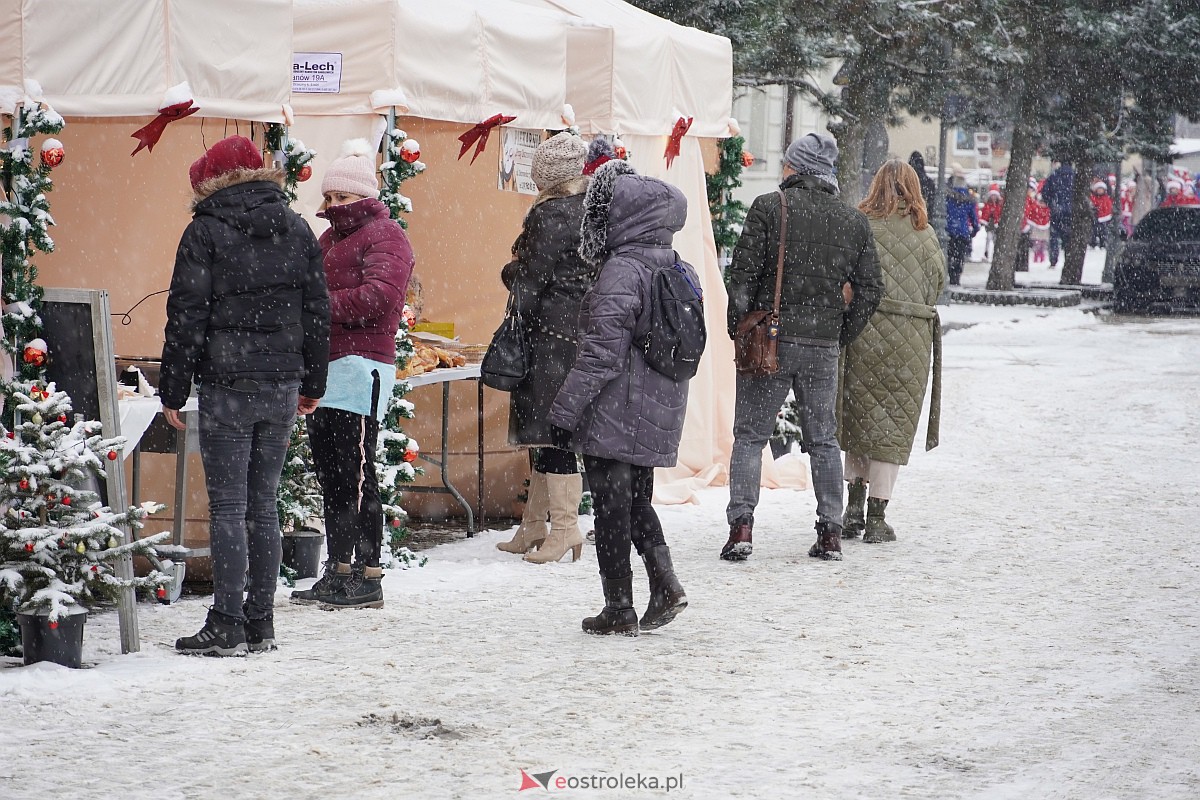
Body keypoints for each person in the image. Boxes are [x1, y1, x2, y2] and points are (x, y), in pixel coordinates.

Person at [161, 135, 330, 655]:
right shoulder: (298, 228)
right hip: (281, 383)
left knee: (230, 507)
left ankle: (226, 622)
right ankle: (261, 622)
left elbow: (187, 315)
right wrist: (313, 383)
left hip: (227, 383)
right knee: (263, 505)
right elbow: (317, 312)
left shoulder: (205, 232)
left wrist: (172, 387)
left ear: (211, 183)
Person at [722, 132, 883, 563]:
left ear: (794, 167)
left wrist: (738, 326)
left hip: (770, 341)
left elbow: (742, 277)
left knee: (750, 437)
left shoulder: (769, 208)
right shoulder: (853, 221)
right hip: (822, 344)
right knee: (824, 440)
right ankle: (830, 530)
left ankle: (741, 526)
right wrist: (839, 332)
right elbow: (871, 290)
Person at [548, 160, 693, 636]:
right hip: (658, 407)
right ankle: (665, 583)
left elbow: (598, 356)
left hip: (616, 408)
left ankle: (619, 606)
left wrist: (564, 413)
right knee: (635, 501)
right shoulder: (679, 267)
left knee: (612, 508)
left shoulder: (621, 271)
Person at [289, 140, 414, 610]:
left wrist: (316, 308)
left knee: (358, 475)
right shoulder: (330, 240)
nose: (336, 205)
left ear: (364, 197)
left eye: (344, 197)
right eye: (332, 198)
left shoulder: (386, 236)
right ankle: (339, 567)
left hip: (361, 367)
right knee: (333, 475)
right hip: (326, 367)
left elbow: (380, 297)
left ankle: (368, 574)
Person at [494, 132, 593, 564]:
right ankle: (534, 526)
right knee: (551, 428)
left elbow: (533, 279)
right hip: (580, 330)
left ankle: (566, 529)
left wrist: (509, 272)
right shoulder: (592, 209)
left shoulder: (551, 213)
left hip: (551, 333)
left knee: (552, 433)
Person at [839, 160, 944, 543]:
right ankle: (877, 517)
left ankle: (852, 506)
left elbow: (846, 276)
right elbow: (937, 284)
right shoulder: (925, 234)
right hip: (910, 343)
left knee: (859, 419)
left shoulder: (862, 225)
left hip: (865, 331)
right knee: (891, 427)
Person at [944, 164, 979, 285]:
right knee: (959, 257)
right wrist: (974, 230)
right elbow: (974, 218)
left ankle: (949, 274)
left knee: (949, 255)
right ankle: (956, 277)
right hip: (963, 232)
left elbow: (944, 212)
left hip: (949, 231)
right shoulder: (969, 198)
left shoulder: (947, 196)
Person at [1041, 162, 1074, 267]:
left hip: (1056, 211)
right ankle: (1069, 259)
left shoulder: (1054, 176)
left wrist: (1051, 203)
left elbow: (1045, 192)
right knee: (1069, 237)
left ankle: (1053, 259)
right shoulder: (1075, 176)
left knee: (1054, 236)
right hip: (1071, 211)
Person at [979, 183, 1004, 262]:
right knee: (989, 239)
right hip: (990, 225)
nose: (993, 197)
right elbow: (984, 214)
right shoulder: (988, 205)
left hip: (996, 225)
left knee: (995, 240)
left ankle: (996, 254)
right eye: (992, 195)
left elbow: (999, 214)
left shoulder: (999, 205)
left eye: (995, 195)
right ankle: (986, 253)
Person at [1026, 192, 1051, 263]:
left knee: (1043, 244)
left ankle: (1042, 256)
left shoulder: (1047, 210)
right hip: (1036, 228)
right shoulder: (1035, 208)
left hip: (1045, 228)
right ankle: (1036, 256)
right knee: (1037, 244)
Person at [1089, 180, 1113, 248]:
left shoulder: (1106, 199)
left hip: (1104, 219)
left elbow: (1108, 209)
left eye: (1101, 189)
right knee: (1094, 231)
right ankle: (1093, 243)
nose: (1099, 191)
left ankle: (1103, 243)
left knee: (1103, 232)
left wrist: (1101, 214)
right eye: (1098, 189)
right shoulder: (1093, 198)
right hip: (1095, 218)